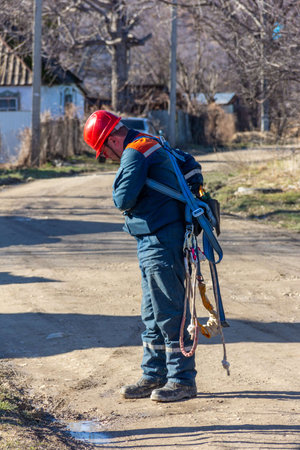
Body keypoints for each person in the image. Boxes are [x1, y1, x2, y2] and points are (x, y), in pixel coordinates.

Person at [83, 110, 203, 402]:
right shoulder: (150, 142)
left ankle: (182, 380)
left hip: (160, 239)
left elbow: (122, 199)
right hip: (156, 238)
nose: (106, 157)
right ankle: (153, 374)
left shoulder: (135, 152)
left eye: (103, 151)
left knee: (170, 312)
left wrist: (119, 185)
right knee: (152, 313)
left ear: (112, 137)